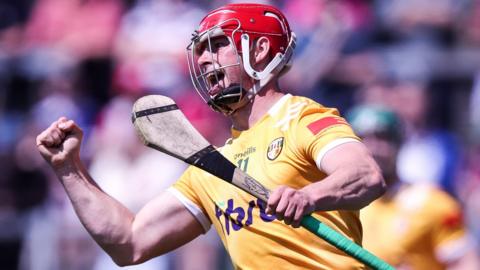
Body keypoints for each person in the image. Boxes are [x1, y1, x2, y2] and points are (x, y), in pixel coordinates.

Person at [36, 3, 385, 269]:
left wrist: (309, 196)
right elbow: (130, 243)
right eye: (201, 50)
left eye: (217, 45)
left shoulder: (303, 117)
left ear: (260, 50)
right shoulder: (213, 168)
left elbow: (365, 176)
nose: (204, 59)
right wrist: (70, 168)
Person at [347, 105, 479, 270]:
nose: (374, 149)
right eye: (363, 139)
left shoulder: (431, 202)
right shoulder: (339, 206)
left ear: (399, 144)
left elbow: (465, 262)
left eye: (383, 139)